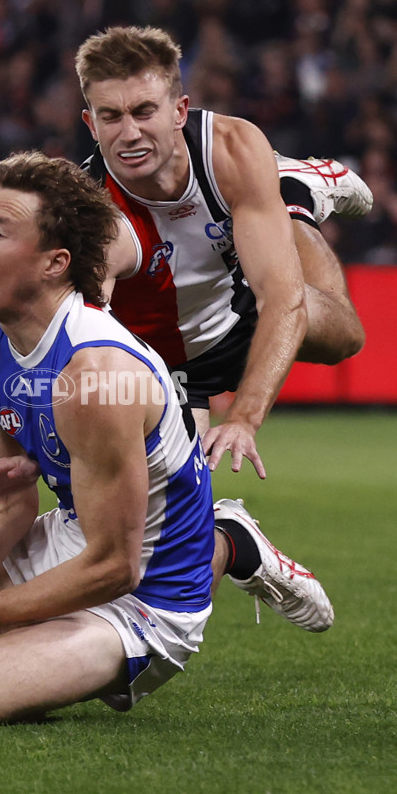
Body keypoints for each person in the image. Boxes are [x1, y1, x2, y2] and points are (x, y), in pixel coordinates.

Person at [0, 151, 331, 726]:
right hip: (75, 536)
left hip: (149, 588)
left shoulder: (97, 376)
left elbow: (115, 568)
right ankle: (34, 630)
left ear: (54, 263)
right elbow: (6, 509)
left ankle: (225, 542)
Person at [74, 25, 371, 478]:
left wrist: (243, 419)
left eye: (144, 111)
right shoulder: (89, 212)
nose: (129, 133)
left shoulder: (230, 151)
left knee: (345, 337)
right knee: (173, 506)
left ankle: (295, 197)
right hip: (165, 361)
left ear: (180, 111)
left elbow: (282, 300)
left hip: (238, 304)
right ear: (91, 124)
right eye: (111, 116)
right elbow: (81, 338)